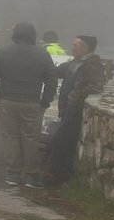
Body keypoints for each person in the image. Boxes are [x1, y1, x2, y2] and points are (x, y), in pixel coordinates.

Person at [0, 22, 57, 188]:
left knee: (11, 138)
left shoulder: (3, 52)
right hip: (32, 102)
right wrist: (45, 101)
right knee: (31, 139)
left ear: (15, 35)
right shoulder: (42, 54)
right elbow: (51, 80)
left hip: (7, 102)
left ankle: (13, 174)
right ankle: (31, 176)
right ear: (32, 35)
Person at [46, 35, 107, 185]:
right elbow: (57, 71)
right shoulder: (76, 62)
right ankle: (60, 175)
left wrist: (74, 95)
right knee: (63, 141)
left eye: (75, 45)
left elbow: (96, 87)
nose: (72, 48)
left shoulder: (92, 65)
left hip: (75, 111)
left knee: (60, 140)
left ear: (85, 48)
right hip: (68, 110)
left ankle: (57, 175)